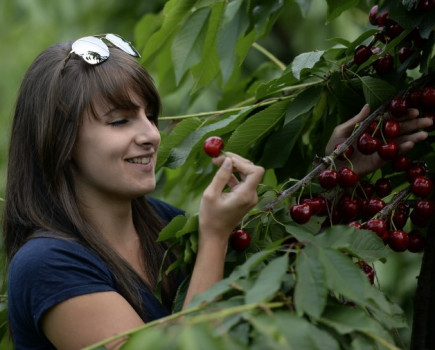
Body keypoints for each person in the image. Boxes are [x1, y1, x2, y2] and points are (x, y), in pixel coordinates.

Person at [2, 33, 431, 349]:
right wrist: (213, 236)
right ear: (59, 141)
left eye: (150, 116)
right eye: (120, 121)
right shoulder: (47, 267)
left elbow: (264, 267)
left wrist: (335, 173)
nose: (151, 134)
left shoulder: (161, 223)